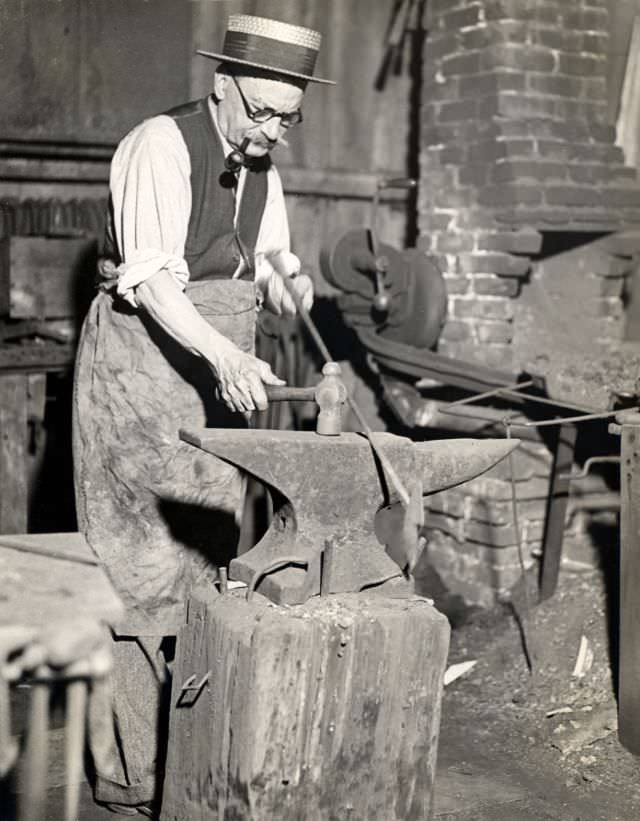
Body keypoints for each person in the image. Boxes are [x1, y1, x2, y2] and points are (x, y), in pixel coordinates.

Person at [72, 14, 333, 817]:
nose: (271, 132)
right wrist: (223, 354)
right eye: (260, 111)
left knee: (203, 567)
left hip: (215, 391)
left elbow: (266, 260)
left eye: (288, 117)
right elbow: (151, 285)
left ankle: (187, 753)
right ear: (222, 85)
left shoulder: (264, 169)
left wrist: (289, 282)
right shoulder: (162, 144)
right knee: (135, 573)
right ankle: (126, 775)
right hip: (139, 384)